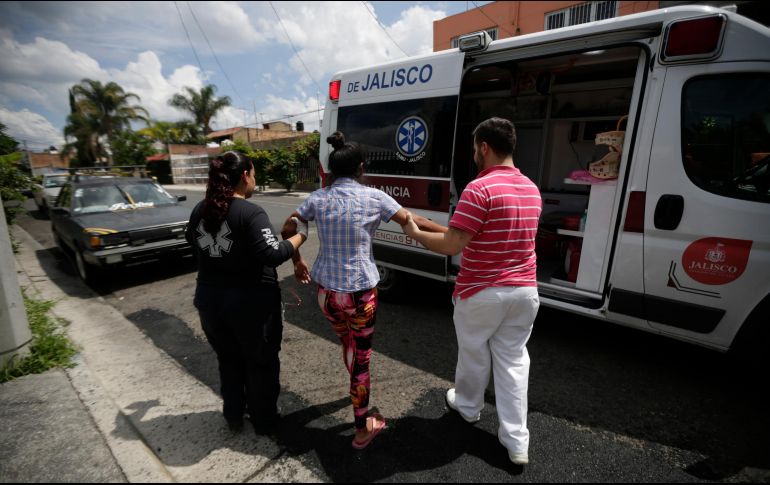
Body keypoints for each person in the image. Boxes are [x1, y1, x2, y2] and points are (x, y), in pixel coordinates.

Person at [282, 132, 442, 449]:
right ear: (361, 168)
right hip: (360, 296)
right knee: (362, 363)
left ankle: (356, 388)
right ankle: (361, 428)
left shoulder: (317, 198)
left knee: (348, 344)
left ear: (330, 170)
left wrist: (297, 260)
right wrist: (454, 234)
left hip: (326, 293)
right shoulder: (374, 198)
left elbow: (290, 226)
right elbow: (414, 219)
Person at [402, 117, 541, 466]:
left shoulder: (479, 189)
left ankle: (467, 407)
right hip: (525, 292)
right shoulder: (530, 188)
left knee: (475, 353)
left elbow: (453, 244)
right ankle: (516, 441)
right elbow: (476, 232)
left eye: (474, 148)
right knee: (513, 363)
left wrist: (415, 233)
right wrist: (430, 225)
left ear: (484, 147)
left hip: (482, 291)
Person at [185, 151, 307, 436]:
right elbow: (271, 253)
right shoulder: (250, 212)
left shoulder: (199, 209)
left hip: (210, 303)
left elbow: (192, 241)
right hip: (251, 306)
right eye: (254, 174)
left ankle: (234, 415)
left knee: (228, 360)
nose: (255, 179)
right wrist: (300, 235)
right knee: (261, 363)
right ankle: (264, 420)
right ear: (244, 176)